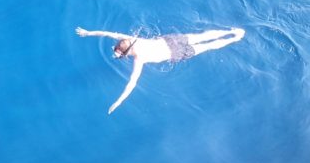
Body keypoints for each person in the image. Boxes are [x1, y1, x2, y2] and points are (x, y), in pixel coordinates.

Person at [76, 26, 245, 114]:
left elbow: (132, 83)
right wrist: (89, 32)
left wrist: (118, 102)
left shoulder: (139, 59)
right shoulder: (131, 39)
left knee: (207, 47)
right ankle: (231, 31)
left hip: (175, 52)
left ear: (126, 52)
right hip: (170, 40)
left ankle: (235, 38)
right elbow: (108, 33)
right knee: (201, 37)